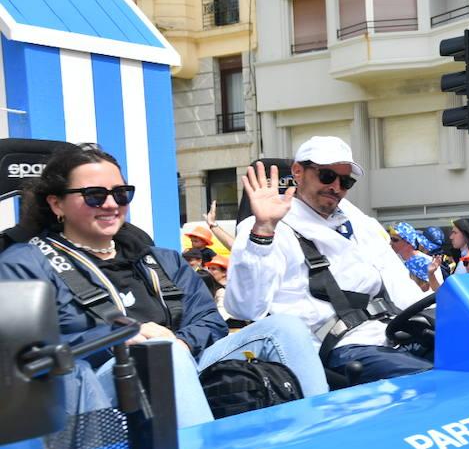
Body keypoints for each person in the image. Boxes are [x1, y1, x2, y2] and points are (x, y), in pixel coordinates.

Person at [0, 143, 327, 428]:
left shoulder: (160, 259)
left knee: (284, 328)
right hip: (92, 393)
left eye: (120, 194)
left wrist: (182, 343)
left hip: (180, 364)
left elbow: (209, 321)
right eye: (94, 196)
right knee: (161, 353)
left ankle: (319, 440)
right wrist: (118, 339)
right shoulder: (25, 264)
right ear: (56, 204)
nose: (112, 204)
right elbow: (21, 357)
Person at [225, 136, 432, 384]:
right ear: (298, 172)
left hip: (392, 335)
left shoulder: (358, 224)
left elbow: (404, 290)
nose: (336, 187)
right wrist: (264, 230)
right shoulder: (267, 228)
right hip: (341, 349)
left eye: (345, 181)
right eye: (327, 176)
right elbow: (245, 307)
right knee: (431, 383)